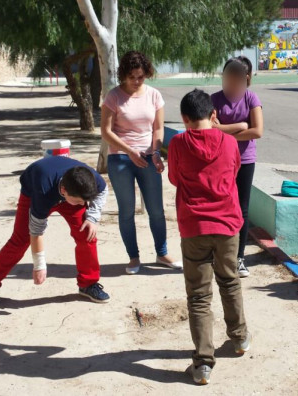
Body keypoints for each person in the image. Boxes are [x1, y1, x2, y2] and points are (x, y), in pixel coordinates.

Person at [168, 89, 250, 386]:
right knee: (229, 280)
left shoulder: (178, 142)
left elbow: (175, 178)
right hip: (228, 224)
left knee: (199, 295)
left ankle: (203, 363)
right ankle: (239, 338)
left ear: (184, 118)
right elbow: (235, 171)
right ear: (213, 114)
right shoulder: (229, 142)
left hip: (194, 227)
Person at [101, 50, 181, 275]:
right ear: (123, 75)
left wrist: (156, 152)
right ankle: (134, 257)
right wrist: (130, 151)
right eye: (132, 77)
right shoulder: (113, 96)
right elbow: (106, 132)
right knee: (126, 210)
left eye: (141, 76)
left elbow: (158, 128)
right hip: (120, 157)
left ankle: (162, 252)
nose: (136, 81)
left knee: (156, 209)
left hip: (148, 156)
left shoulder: (154, 95)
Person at [0, 156, 110, 303]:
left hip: (70, 193)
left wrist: (92, 217)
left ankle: (88, 284)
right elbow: (35, 232)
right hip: (34, 191)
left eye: (84, 201)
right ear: (63, 190)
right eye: (80, 201)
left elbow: (102, 191)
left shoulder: (92, 179)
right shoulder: (43, 192)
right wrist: (39, 265)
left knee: (87, 233)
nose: (83, 204)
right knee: (20, 240)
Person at [211, 56, 263, 278]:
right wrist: (241, 126)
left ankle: (239, 257)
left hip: (245, 160)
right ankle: (219, 254)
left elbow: (257, 131)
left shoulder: (252, 98)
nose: (230, 86)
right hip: (221, 160)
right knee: (220, 206)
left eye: (235, 82)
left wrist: (225, 128)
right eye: (226, 81)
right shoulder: (213, 100)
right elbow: (210, 130)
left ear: (246, 80)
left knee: (241, 209)